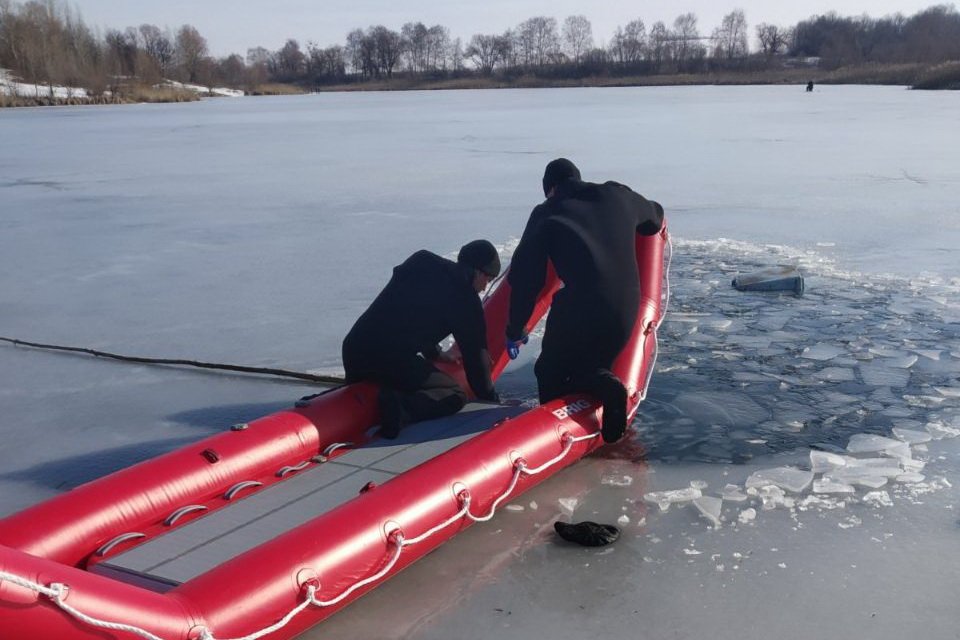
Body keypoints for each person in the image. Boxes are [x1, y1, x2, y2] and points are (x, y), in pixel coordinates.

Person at [505, 158, 664, 444]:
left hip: (581, 309)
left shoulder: (547, 212)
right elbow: (654, 217)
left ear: (549, 189)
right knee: (590, 362)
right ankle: (603, 396)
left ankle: (561, 437)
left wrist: (515, 329)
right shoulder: (618, 195)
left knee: (548, 371)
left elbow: (527, 278)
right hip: (626, 308)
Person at [342, 240, 501, 439]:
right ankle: (401, 409)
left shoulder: (422, 261)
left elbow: (411, 311)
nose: (485, 287)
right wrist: (491, 399)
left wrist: (435, 353)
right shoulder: (466, 302)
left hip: (354, 349)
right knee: (454, 394)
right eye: (488, 278)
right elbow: (475, 358)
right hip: (386, 360)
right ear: (478, 272)